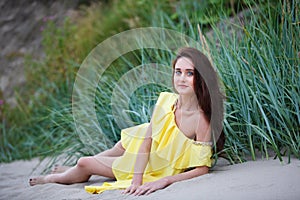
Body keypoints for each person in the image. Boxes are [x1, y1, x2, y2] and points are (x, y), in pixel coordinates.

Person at [29, 47, 225, 196]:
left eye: (189, 73)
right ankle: (73, 169)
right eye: (178, 71)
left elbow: (202, 169)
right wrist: (137, 179)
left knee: (84, 163)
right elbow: (147, 141)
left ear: (200, 78)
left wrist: (162, 181)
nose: (181, 78)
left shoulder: (200, 119)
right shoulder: (166, 100)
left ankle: (53, 178)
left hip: (156, 164)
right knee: (120, 145)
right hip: (148, 145)